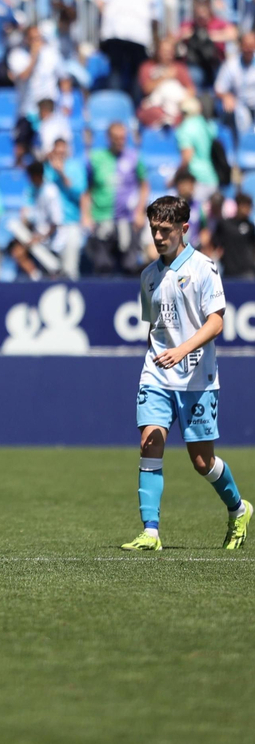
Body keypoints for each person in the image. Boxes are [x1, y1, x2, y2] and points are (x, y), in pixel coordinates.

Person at [121, 195, 252, 552]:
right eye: (153, 230)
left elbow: (216, 322)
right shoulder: (149, 275)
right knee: (151, 441)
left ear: (184, 228)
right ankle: (150, 532)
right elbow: (155, 327)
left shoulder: (204, 268)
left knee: (201, 461)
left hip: (197, 377)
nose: (158, 237)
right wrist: (162, 355)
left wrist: (182, 350)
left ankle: (239, 509)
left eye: (165, 230)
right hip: (157, 374)